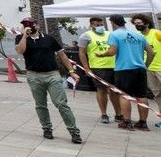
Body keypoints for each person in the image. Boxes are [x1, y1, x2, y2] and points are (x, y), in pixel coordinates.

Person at [15, 16, 82, 144]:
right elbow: (20, 51)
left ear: (37, 25)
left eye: (30, 24)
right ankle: (47, 128)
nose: (28, 26)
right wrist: (24, 36)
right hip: (34, 75)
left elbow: (62, 55)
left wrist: (72, 72)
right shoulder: (20, 38)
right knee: (40, 104)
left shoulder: (49, 39)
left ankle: (74, 131)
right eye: (25, 24)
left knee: (61, 103)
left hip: (52, 74)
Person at [96, 14, 154, 131]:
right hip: (140, 69)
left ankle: (127, 122)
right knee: (141, 95)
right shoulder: (138, 35)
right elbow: (151, 52)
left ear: (113, 23)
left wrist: (102, 54)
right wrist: (145, 65)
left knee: (124, 95)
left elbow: (112, 51)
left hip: (124, 69)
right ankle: (143, 123)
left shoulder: (114, 34)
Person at [77, 16, 120, 124]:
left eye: (101, 25)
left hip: (114, 66)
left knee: (115, 91)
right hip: (98, 67)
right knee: (102, 90)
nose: (100, 27)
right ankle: (104, 114)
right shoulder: (86, 36)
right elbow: (82, 53)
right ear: (91, 25)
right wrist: (86, 68)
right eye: (97, 25)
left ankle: (119, 114)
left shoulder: (110, 34)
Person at [132, 14, 161, 128]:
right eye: (135, 24)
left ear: (147, 23)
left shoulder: (157, 33)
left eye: (139, 23)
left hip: (160, 68)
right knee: (158, 95)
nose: (137, 25)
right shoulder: (137, 37)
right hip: (148, 69)